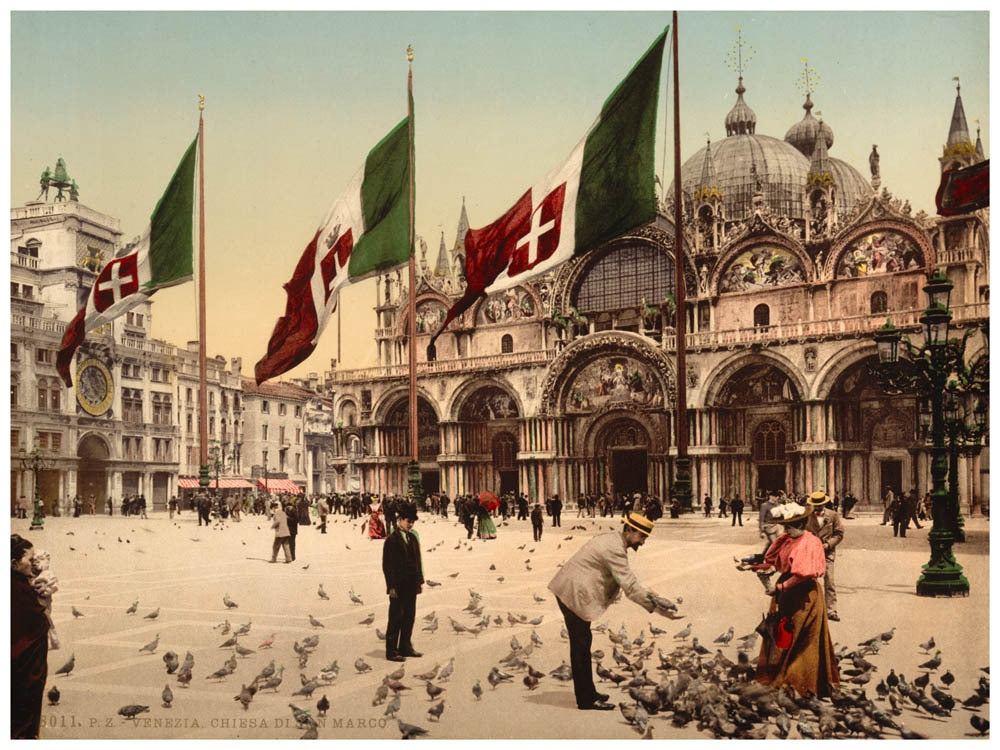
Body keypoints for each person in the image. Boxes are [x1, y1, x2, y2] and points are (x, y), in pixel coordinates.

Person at [548, 512, 676, 711]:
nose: (642, 542)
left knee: (583, 643)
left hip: (571, 590)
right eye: (642, 536)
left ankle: (588, 692)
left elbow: (628, 581)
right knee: (581, 646)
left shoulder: (613, 540)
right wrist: (658, 610)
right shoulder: (615, 548)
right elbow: (629, 586)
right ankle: (586, 700)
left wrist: (653, 596)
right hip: (573, 594)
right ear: (630, 530)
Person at [752, 502, 839, 697]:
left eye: (789, 526)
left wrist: (779, 587)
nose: (785, 530)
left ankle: (798, 683)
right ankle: (782, 674)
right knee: (782, 636)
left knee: (802, 638)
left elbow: (802, 575)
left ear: (800, 525)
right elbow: (775, 561)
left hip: (804, 594)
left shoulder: (810, 542)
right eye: (785, 527)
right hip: (786, 592)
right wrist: (764, 569)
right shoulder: (788, 538)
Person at [11, 534, 50, 738]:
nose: (34, 563)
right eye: (29, 559)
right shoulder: (13, 588)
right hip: (21, 671)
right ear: (14, 563)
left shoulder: (21, 582)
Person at [382, 503, 424, 662]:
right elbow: (387, 566)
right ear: (400, 520)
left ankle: (405, 647)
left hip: (411, 584)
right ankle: (391, 651)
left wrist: (419, 581)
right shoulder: (391, 540)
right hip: (398, 586)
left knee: (409, 616)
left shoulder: (413, 537)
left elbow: (417, 560)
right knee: (395, 618)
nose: (410, 524)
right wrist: (391, 586)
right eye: (408, 521)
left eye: (413, 521)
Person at [804, 491, 844, 622]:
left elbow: (839, 533)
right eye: (815, 506)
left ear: (824, 504)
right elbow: (802, 532)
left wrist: (828, 545)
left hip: (828, 552)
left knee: (830, 581)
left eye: (820, 505)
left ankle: (831, 610)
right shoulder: (807, 515)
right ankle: (809, 610)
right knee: (809, 581)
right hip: (811, 553)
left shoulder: (833, 515)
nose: (817, 508)